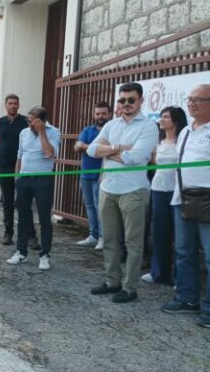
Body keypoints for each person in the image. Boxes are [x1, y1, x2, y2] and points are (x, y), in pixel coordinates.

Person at [88, 82, 158, 303]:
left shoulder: (148, 126)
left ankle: (130, 288)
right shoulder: (111, 125)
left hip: (133, 191)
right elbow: (91, 149)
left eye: (131, 100)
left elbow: (135, 158)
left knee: (133, 242)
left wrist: (109, 151)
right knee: (109, 239)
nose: (126, 104)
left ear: (141, 101)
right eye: (122, 100)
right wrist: (121, 148)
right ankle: (112, 282)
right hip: (108, 189)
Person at [161, 84, 210, 328]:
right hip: (182, 199)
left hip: (207, 201)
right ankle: (188, 298)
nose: (191, 103)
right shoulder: (186, 132)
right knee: (184, 252)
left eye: (198, 100)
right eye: (190, 99)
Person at [6, 107, 61, 270]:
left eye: (32, 120)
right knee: (23, 217)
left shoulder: (54, 132)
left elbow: (50, 153)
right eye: (28, 120)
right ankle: (21, 251)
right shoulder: (24, 133)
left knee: (44, 218)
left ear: (41, 121)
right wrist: (17, 177)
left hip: (43, 179)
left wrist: (42, 132)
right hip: (24, 178)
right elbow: (20, 156)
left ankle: (44, 255)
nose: (29, 123)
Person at [142, 106, 187, 284]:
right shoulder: (158, 143)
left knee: (179, 237)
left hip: (178, 192)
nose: (161, 120)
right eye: (161, 116)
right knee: (159, 233)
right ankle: (158, 272)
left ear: (175, 120)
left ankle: (179, 277)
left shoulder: (183, 141)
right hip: (158, 191)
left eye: (166, 117)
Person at [0, 94, 36, 248]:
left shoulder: (25, 122)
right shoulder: (0, 122)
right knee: (7, 201)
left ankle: (30, 235)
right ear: (5, 105)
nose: (13, 106)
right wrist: (0, 142)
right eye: (10, 103)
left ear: (19, 105)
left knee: (24, 201)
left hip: (22, 166)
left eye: (15, 103)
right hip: (4, 165)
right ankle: (8, 233)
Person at [74, 102, 111, 249]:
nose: (100, 116)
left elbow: (106, 150)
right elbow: (77, 147)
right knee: (89, 206)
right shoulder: (88, 130)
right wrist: (91, 148)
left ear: (109, 114)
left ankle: (103, 237)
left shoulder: (111, 131)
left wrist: (85, 146)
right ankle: (93, 235)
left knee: (99, 207)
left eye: (103, 113)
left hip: (101, 175)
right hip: (85, 174)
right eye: (98, 114)